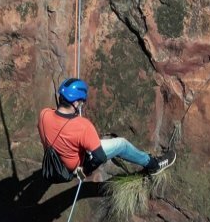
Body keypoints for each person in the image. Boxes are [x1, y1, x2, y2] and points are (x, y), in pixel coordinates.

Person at [38, 77, 175, 179]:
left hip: (57, 162)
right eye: (81, 102)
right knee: (121, 145)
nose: (81, 105)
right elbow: (100, 157)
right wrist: (85, 170)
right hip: (76, 166)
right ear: (75, 102)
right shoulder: (83, 126)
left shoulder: (44, 114)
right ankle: (154, 165)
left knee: (84, 142)